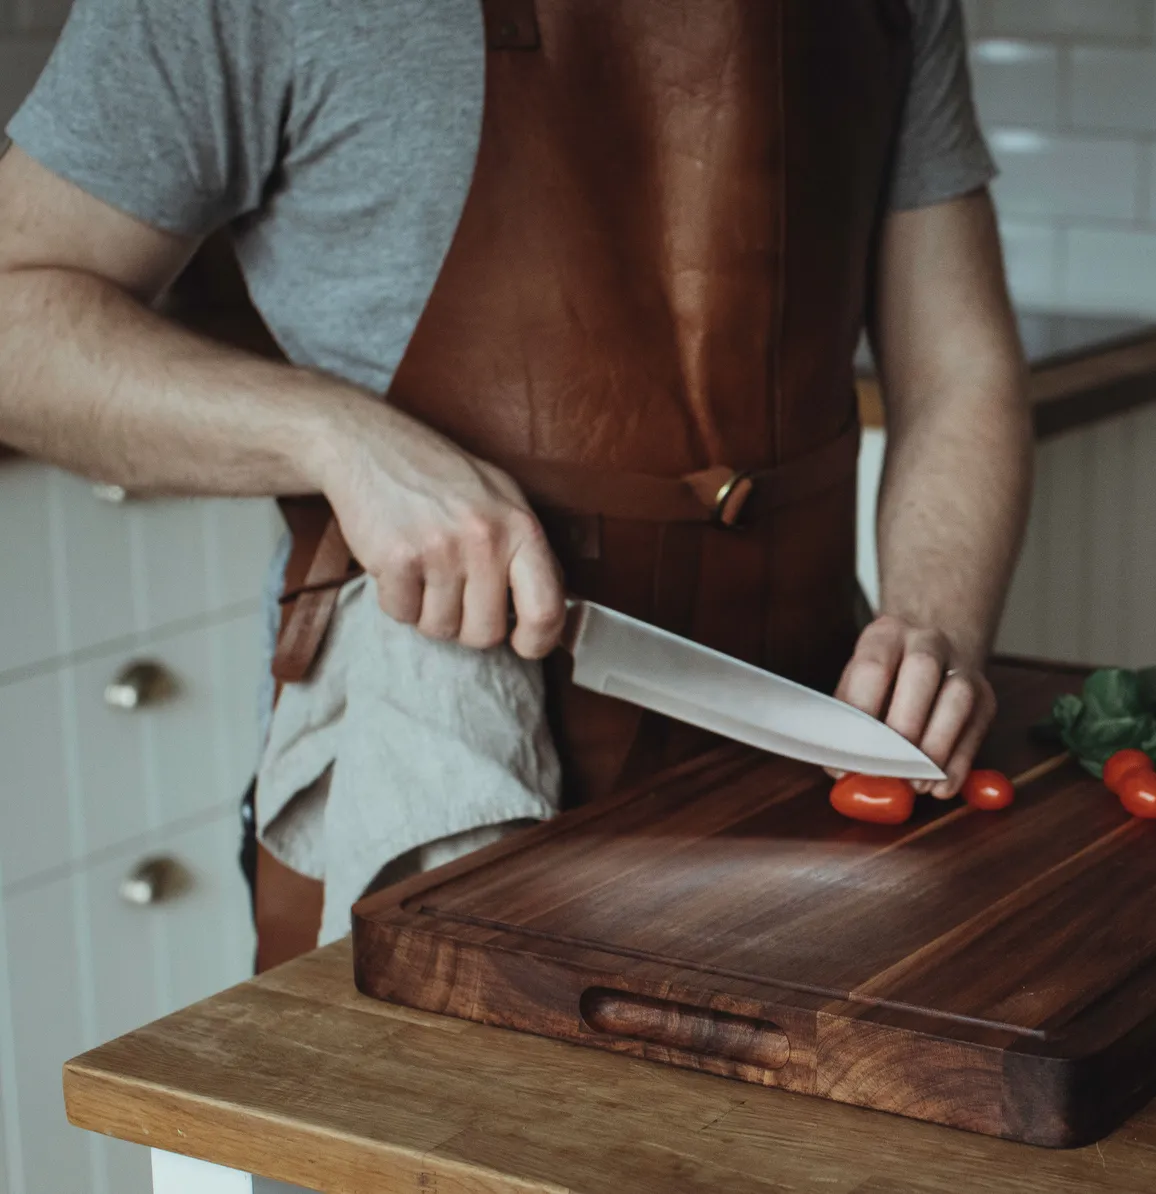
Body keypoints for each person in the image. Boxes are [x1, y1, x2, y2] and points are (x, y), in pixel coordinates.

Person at [0, 0, 1032, 967]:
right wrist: (336, 435)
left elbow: (958, 372)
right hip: (439, 761)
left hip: (812, 755)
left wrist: (934, 627)